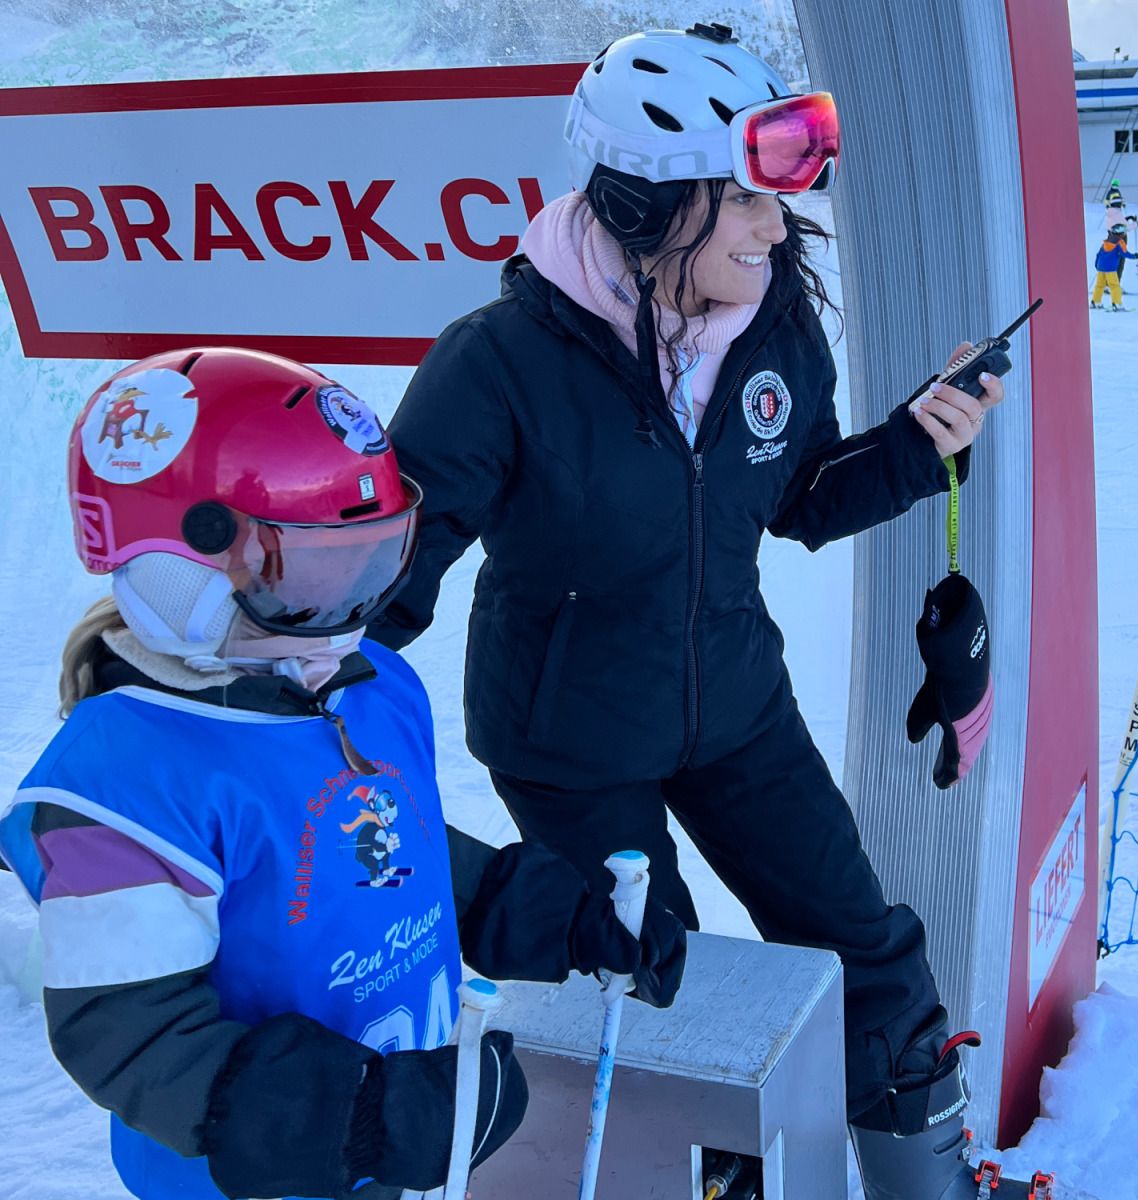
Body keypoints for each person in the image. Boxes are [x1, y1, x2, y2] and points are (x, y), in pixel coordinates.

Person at [367, 24, 1045, 1200]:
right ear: (649, 203)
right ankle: (708, 1180)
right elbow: (389, 572)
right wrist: (286, 680)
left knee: (868, 947)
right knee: (655, 987)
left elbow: (799, 497)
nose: (779, 229)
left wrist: (914, 444)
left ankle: (927, 1184)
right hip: (569, 734)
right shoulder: (497, 363)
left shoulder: (771, 317)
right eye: (745, 202)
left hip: (734, 701)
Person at [0, 348, 687, 1200]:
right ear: (178, 574)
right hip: (254, 1177)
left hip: (383, 1164)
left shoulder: (363, 685)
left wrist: (555, 915)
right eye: (313, 581)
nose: (347, 621)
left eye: (372, 566)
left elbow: (389, 848)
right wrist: (362, 1117)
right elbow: (132, 1031)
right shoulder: (125, 789)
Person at [1092, 221, 1138, 310]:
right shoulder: (1119, 242)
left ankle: (1095, 301)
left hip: (1101, 267)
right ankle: (1117, 303)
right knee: (1114, 286)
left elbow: (1098, 254)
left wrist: (1097, 265)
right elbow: (1124, 253)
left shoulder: (1106, 242)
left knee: (1099, 285)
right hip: (1111, 269)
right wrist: (1134, 256)